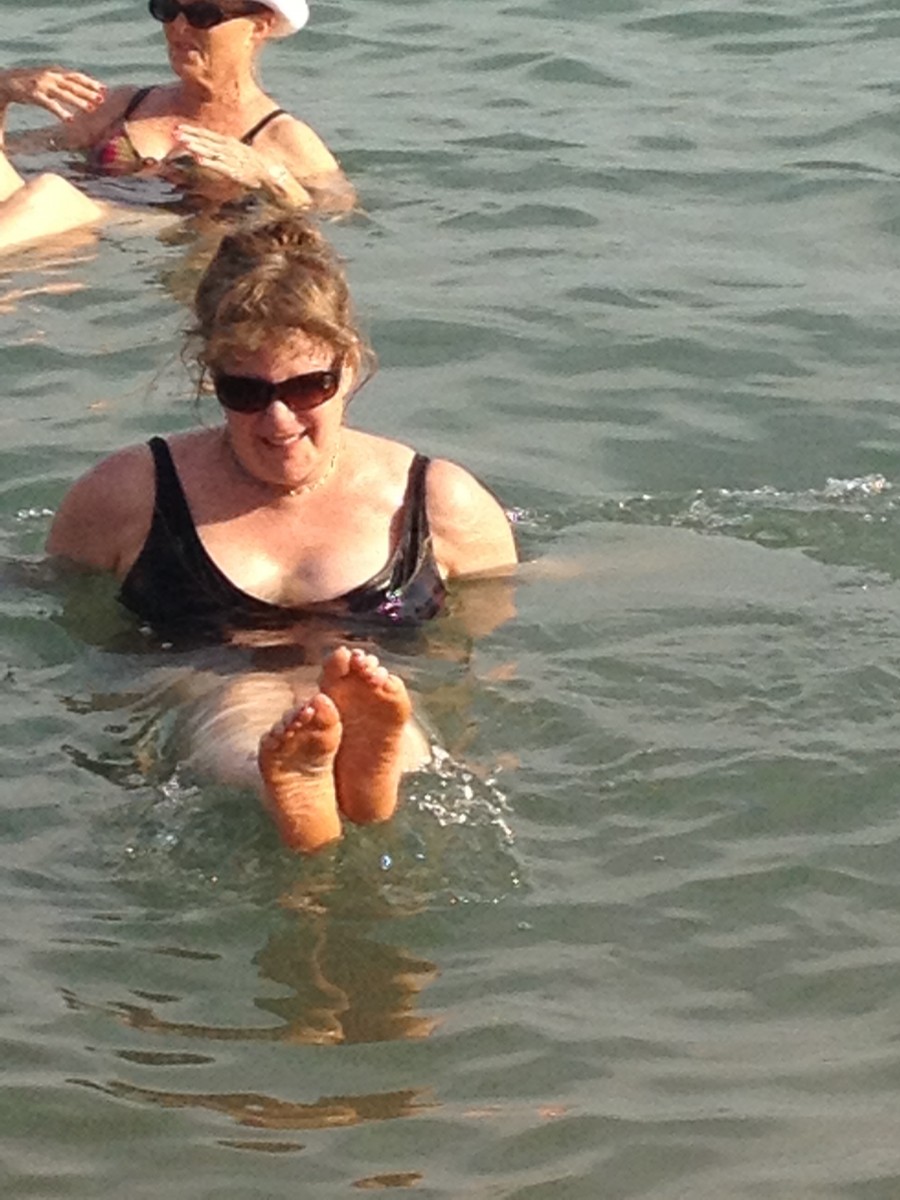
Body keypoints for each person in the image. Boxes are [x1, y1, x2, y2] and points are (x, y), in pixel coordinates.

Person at [46, 212, 517, 853]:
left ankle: (366, 771)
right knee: (235, 717)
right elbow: (61, 607)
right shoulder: (130, 493)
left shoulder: (435, 500)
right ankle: (307, 785)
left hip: (377, 678)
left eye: (307, 387)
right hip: (213, 678)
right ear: (209, 375)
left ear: (349, 366)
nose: (277, 420)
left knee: (391, 709)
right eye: (245, 391)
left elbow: (491, 653)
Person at [0, 0, 353, 251]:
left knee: (51, 192)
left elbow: (335, 218)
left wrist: (271, 177)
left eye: (202, 15)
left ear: (260, 26)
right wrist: (5, 92)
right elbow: (12, 155)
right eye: (167, 9)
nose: (178, 27)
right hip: (54, 221)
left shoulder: (281, 137)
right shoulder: (125, 105)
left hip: (141, 231)